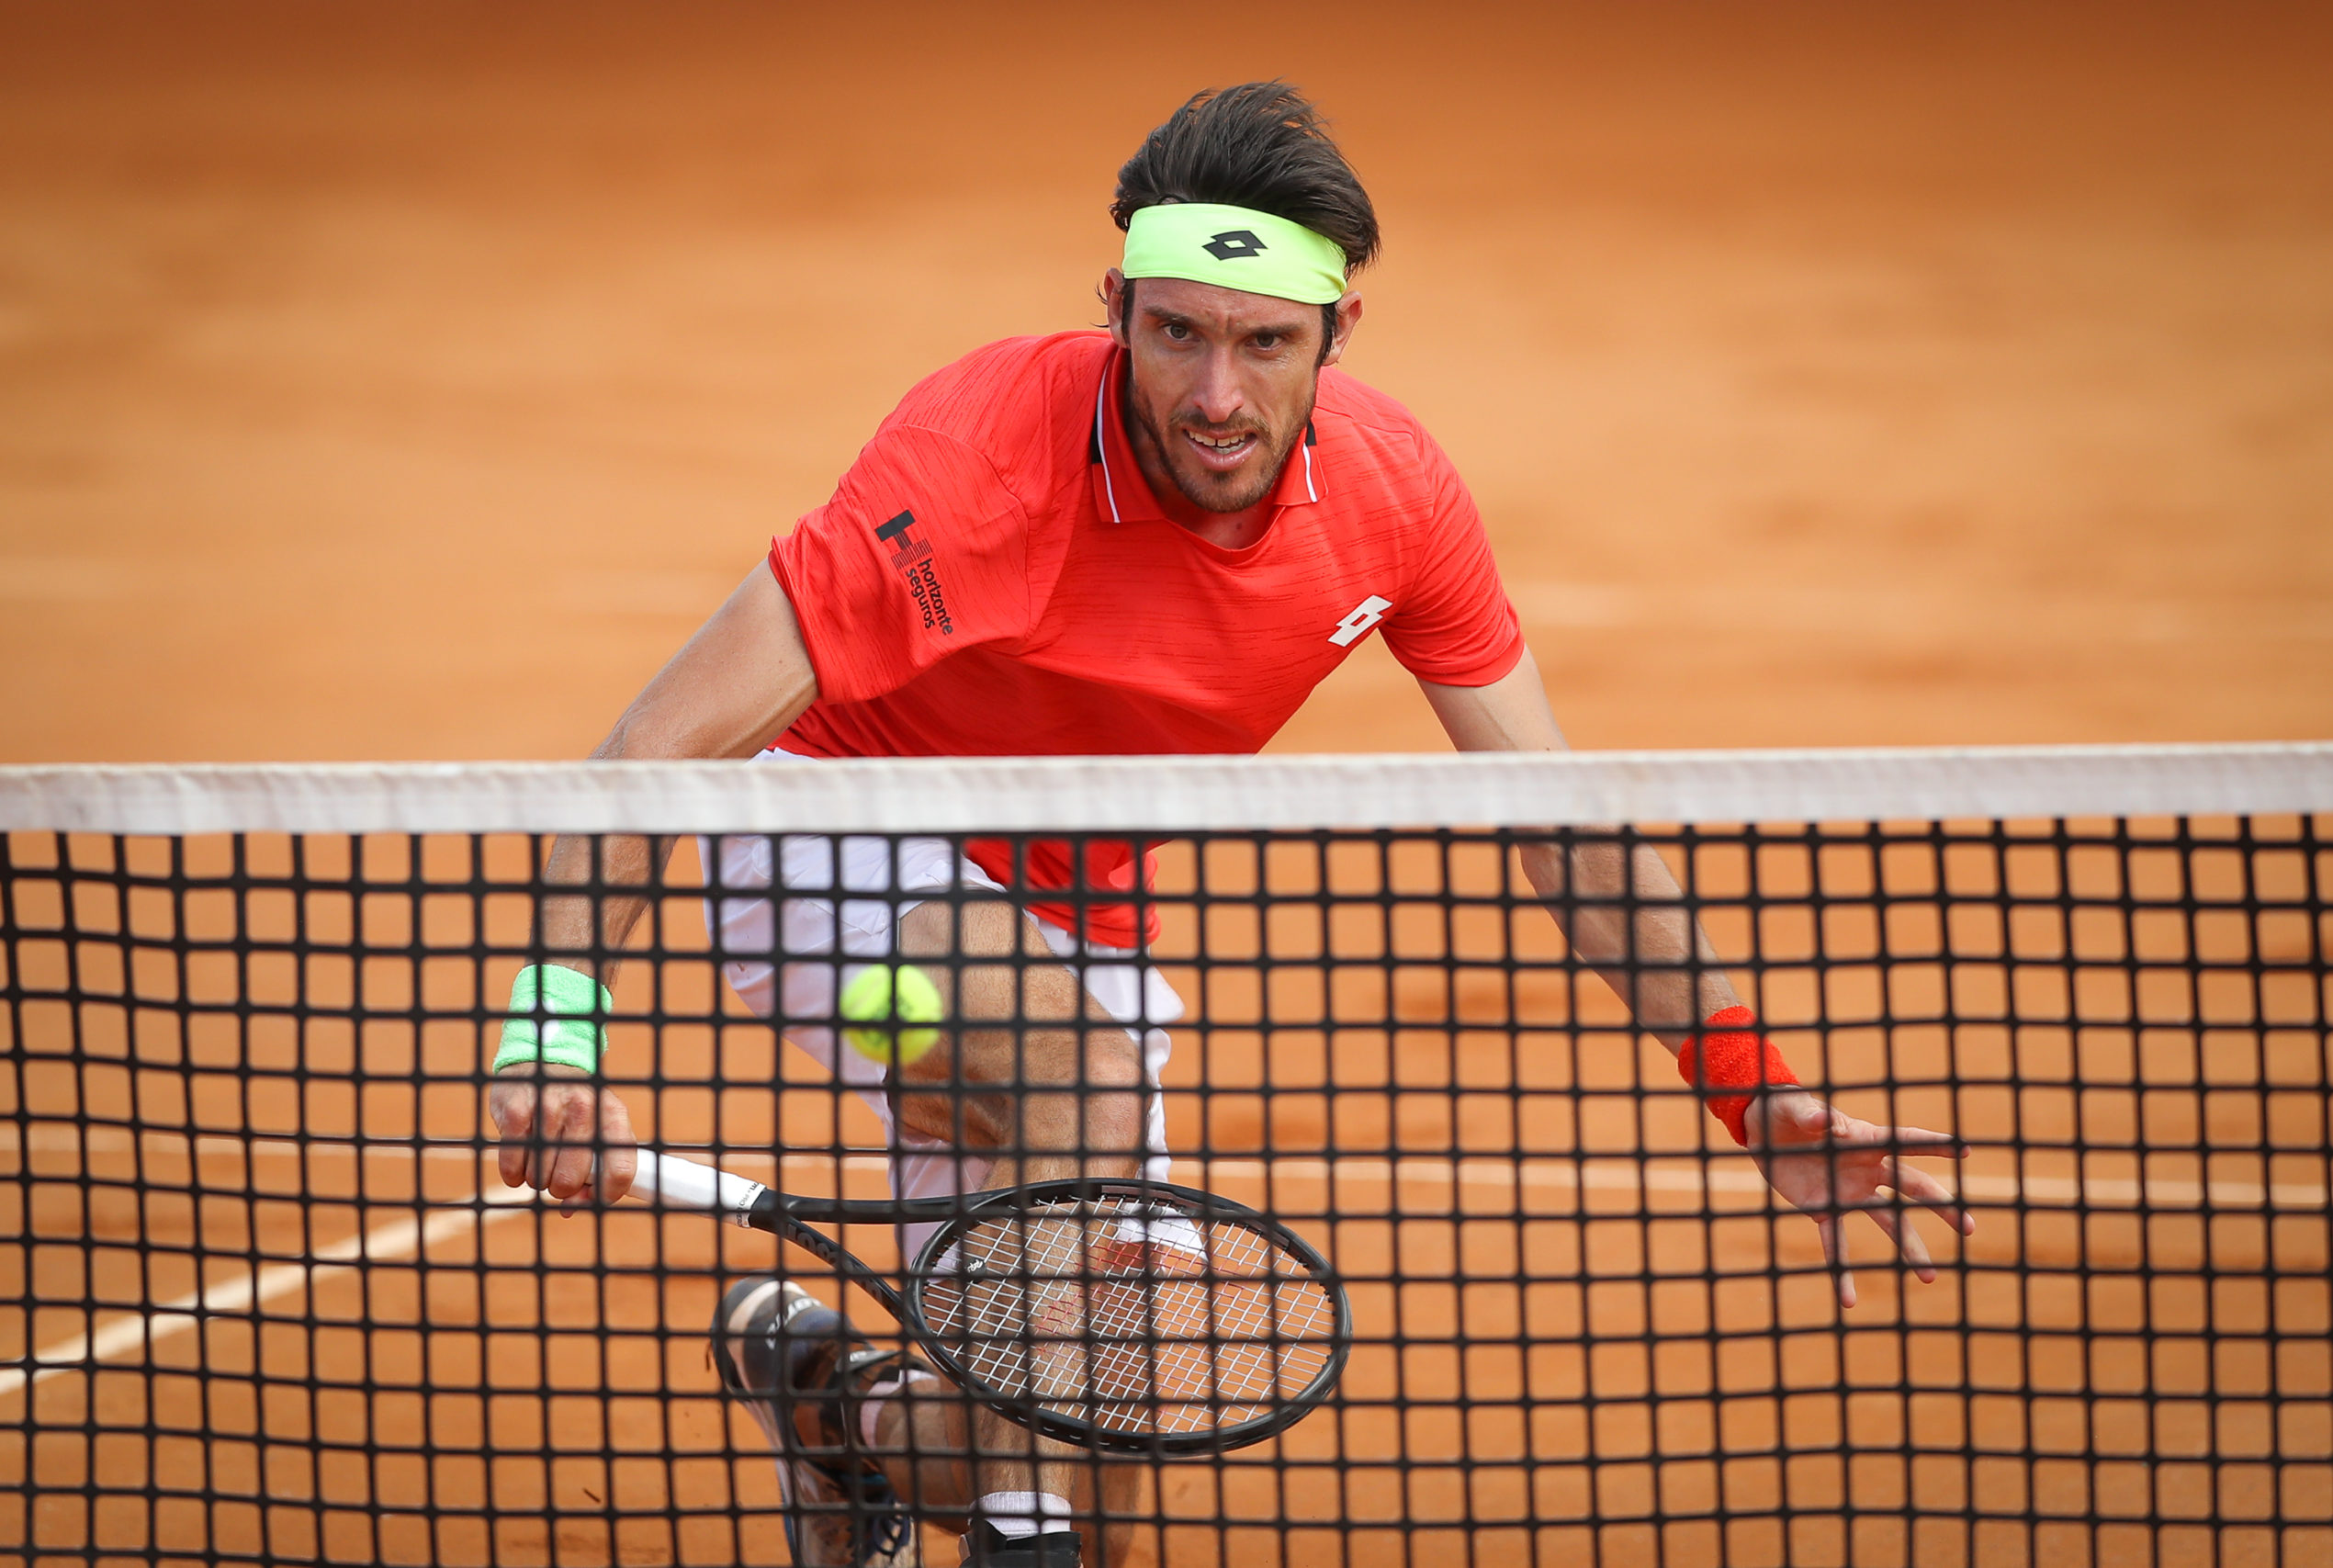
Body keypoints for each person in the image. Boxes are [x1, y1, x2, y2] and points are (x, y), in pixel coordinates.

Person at [485, 81, 1972, 1568]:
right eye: (1177, 332)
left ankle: (833, 1408)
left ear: (1338, 334)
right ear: (1116, 309)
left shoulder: (1397, 498)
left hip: (1079, 902)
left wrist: (1750, 1088)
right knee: (1071, 1070)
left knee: (1107, 1441)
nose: (1216, 393)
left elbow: (1562, 824)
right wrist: (552, 1034)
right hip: (839, 830)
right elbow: (659, 745)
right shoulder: (974, 469)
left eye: (1265, 343)